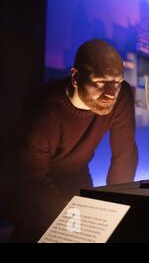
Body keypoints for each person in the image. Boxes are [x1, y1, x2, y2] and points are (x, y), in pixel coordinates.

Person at [11, 39, 138, 241]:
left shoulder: (120, 95)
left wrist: (116, 207)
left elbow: (124, 154)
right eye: (100, 82)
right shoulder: (45, 110)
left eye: (117, 82)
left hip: (76, 176)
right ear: (76, 77)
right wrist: (74, 224)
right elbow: (31, 178)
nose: (110, 93)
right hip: (29, 187)